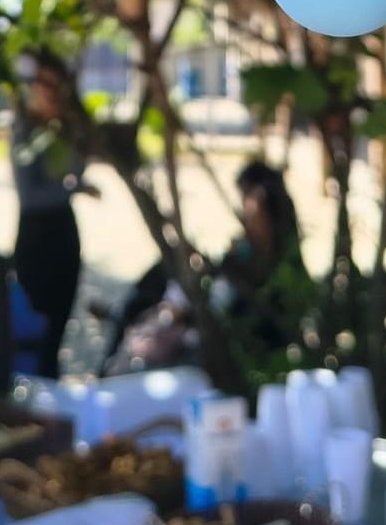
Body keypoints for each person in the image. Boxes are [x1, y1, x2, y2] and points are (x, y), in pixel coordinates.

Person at [98, 160, 306, 375]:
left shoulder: (277, 265)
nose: (245, 218)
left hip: (231, 340)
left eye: (253, 215)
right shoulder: (247, 251)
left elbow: (239, 306)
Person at [10, 52, 98, 378]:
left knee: (57, 333)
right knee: (37, 332)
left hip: (64, 234)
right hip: (36, 237)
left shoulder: (66, 129)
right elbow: (30, 195)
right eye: (42, 83)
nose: (48, 91)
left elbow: (75, 169)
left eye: (55, 85)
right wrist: (73, 189)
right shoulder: (23, 129)